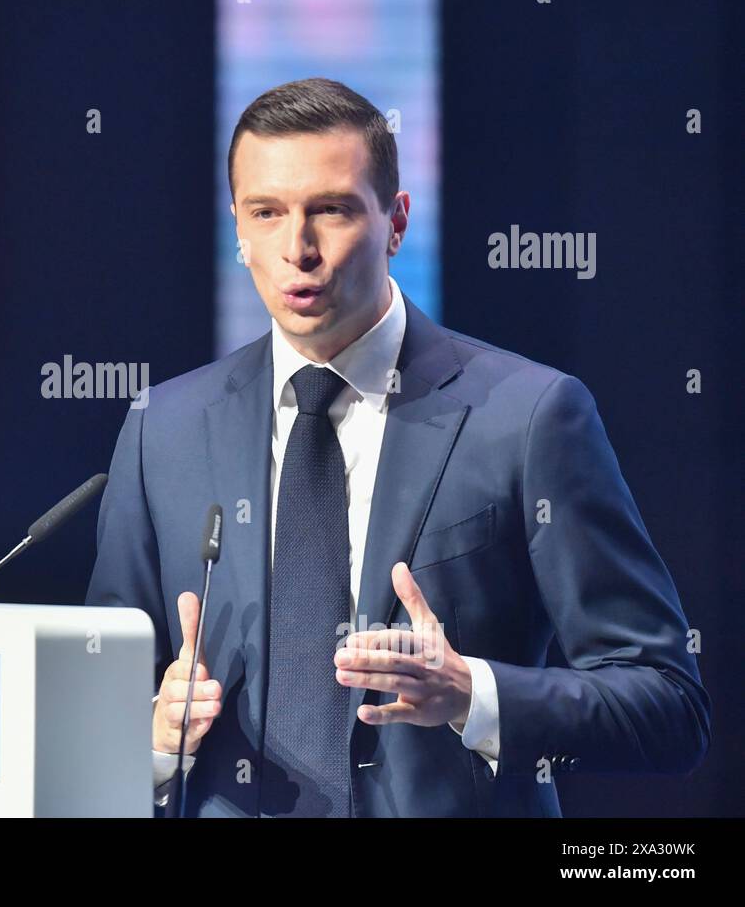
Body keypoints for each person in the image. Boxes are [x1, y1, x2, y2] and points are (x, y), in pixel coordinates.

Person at [85, 78, 710, 817]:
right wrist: (155, 741)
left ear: (397, 223)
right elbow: (97, 707)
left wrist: (472, 693)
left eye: (333, 210)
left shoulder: (529, 415)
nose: (299, 249)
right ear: (239, 231)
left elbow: (668, 706)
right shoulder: (165, 427)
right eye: (268, 213)